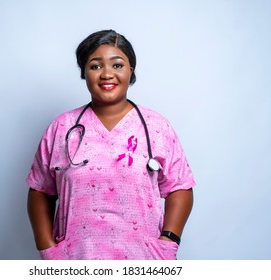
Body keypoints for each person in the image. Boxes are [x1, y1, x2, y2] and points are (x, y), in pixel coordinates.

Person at [26, 29, 195, 260]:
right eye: (95, 66)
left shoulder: (157, 127)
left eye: (117, 65)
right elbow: (40, 190)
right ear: (84, 73)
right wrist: (48, 249)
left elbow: (180, 186)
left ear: (131, 71)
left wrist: (169, 240)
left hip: (143, 262)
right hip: (75, 260)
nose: (107, 74)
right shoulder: (62, 127)